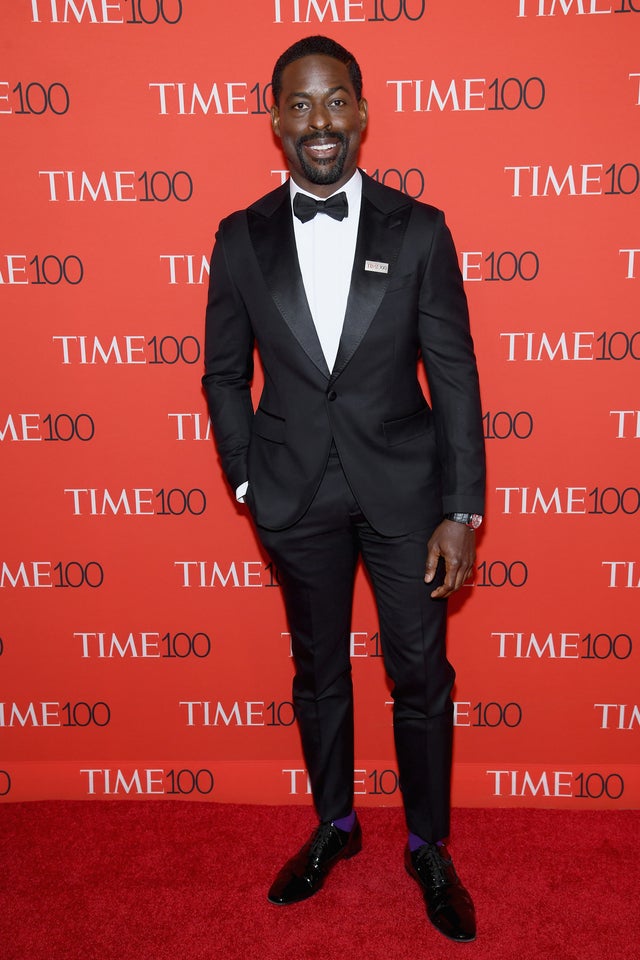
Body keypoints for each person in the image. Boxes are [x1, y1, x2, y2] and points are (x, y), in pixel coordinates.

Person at [202, 34, 485, 943]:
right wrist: (249, 477)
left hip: (406, 495)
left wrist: (462, 508)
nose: (318, 122)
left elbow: (457, 376)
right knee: (319, 676)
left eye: (335, 103)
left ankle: (429, 845)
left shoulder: (422, 229)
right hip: (294, 496)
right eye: (299, 104)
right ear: (275, 119)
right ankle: (336, 826)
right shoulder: (238, 238)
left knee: (420, 675)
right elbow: (220, 373)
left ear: (362, 113)